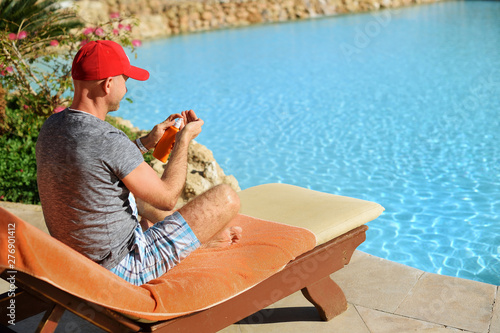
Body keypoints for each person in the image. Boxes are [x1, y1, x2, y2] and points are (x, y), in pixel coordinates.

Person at [36, 40, 242, 286]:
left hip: (77, 262)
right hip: (122, 271)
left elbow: (94, 164)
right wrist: (184, 140)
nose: (126, 88)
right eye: (126, 80)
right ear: (108, 84)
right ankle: (201, 240)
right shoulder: (107, 139)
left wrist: (145, 143)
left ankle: (201, 238)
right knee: (226, 197)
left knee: (137, 192)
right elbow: (167, 198)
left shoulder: (53, 127)